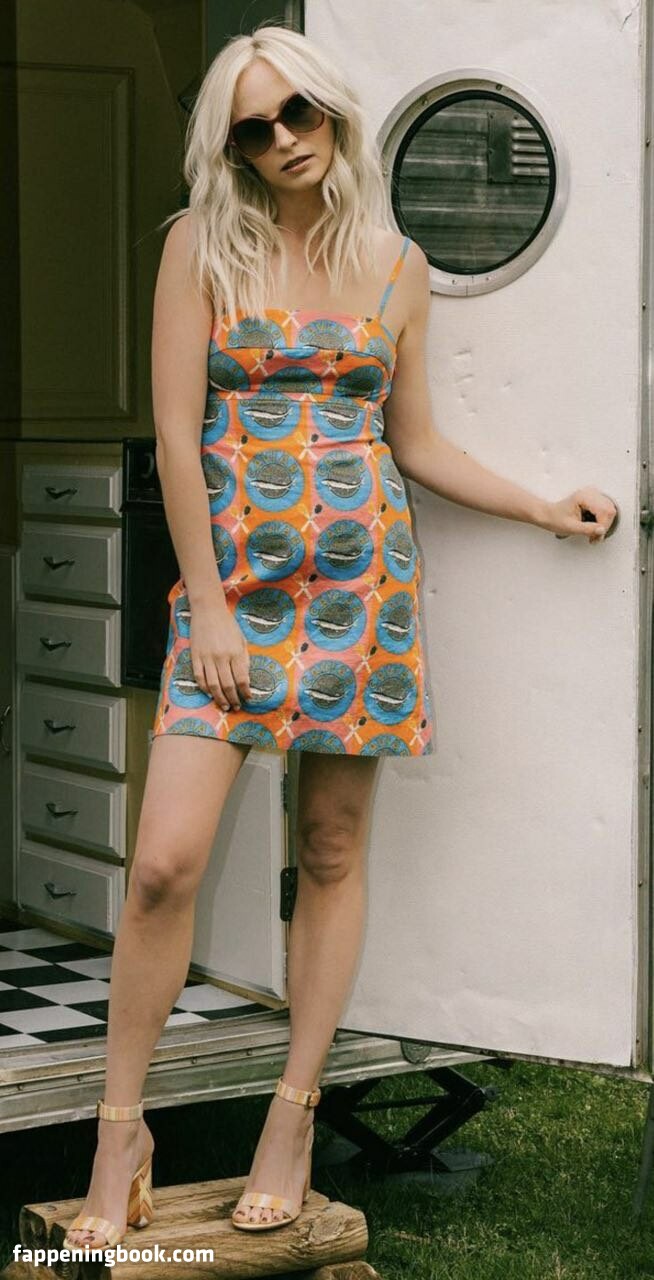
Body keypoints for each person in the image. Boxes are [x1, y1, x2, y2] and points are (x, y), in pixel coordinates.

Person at [63, 21, 618, 1253]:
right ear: (234, 148)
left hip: (359, 595)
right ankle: (120, 1129)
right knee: (163, 865)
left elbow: (412, 442)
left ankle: (292, 1119)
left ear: (335, 113)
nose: (283, 140)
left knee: (328, 846)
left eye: (299, 113)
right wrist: (209, 603)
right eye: (254, 129)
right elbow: (174, 436)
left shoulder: (396, 263)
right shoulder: (200, 247)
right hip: (233, 596)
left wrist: (541, 504)